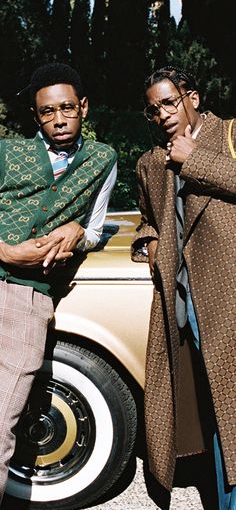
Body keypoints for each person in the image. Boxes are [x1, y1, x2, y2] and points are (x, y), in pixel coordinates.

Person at [0, 62, 117, 501]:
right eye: (47, 112)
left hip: (26, 296)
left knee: (1, 419)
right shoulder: (6, 154)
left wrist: (76, 232)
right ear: (36, 116)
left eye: (67, 107)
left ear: (83, 107)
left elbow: (95, 226)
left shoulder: (103, 159)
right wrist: (6, 251)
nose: (59, 118)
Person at [131, 66, 236, 509]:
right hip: (186, 305)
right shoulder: (150, 162)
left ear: (191, 96)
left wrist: (194, 159)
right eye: (152, 110)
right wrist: (148, 241)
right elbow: (147, 220)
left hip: (230, 295)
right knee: (215, 412)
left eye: (168, 103)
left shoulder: (230, 134)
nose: (161, 115)